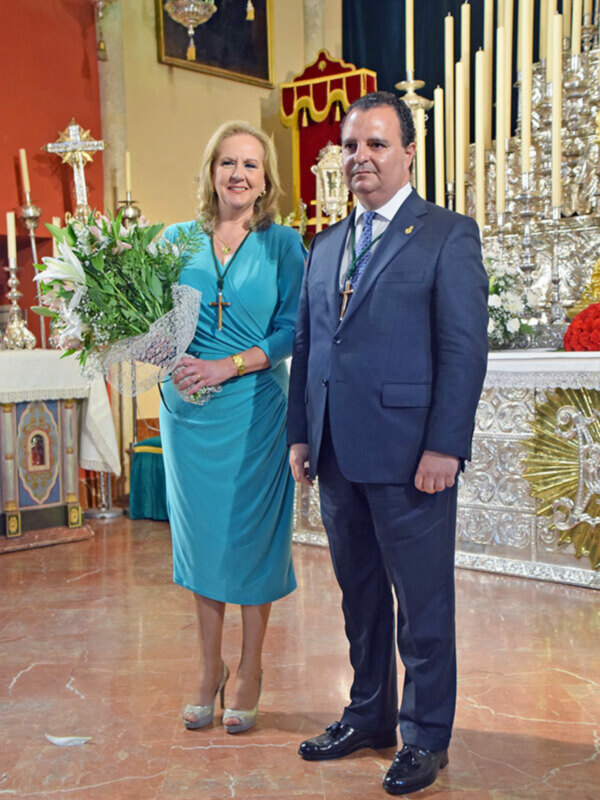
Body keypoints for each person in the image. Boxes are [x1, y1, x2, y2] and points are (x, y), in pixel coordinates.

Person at [287, 92, 488, 795]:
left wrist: (445, 446)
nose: (360, 158)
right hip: (338, 453)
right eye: (349, 146)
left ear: (407, 152)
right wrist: (301, 434)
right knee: (360, 597)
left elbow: (463, 351)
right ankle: (368, 713)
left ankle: (425, 735)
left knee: (422, 604)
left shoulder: (446, 235)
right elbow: (310, 347)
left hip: (412, 459)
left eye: (375, 144)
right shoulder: (326, 243)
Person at [160, 120, 305, 734]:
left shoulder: (284, 244)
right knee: (200, 540)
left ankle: (249, 665)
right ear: (210, 171)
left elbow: (293, 328)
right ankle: (206, 664)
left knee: (250, 538)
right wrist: (161, 357)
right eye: (227, 163)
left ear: (266, 177)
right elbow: (149, 321)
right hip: (189, 414)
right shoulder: (172, 240)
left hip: (254, 409)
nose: (238, 174)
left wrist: (228, 364)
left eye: (250, 164)